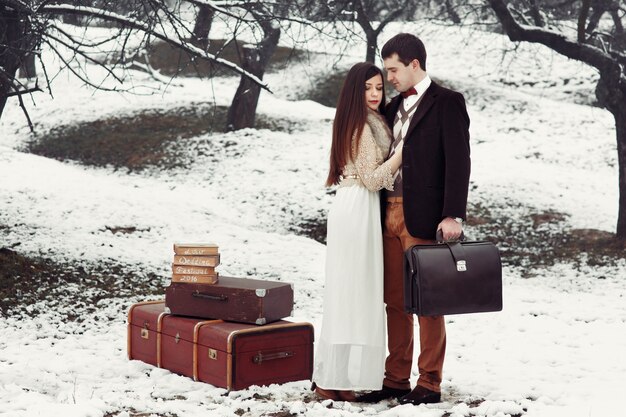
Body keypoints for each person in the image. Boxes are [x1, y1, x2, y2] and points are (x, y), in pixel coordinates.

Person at [357, 34, 471, 405]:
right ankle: (396, 379)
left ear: (414, 65)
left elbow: (458, 162)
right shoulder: (390, 109)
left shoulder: (448, 102)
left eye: (392, 70)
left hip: (423, 216)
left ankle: (430, 382)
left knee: (427, 301)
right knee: (394, 301)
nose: (388, 78)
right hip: (385, 212)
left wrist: (452, 214)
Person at [312, 62, 403, 401]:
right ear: (355, 90)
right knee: (350, 293)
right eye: (368, 88)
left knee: (352, 294)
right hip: (357, 206)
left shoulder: (367, 120)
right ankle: (334, 378)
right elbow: (372, 178)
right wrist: (401, 155)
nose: (376, 95)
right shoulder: (361, 125)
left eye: (380, 88)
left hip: (358, 206)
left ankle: (339, 377)